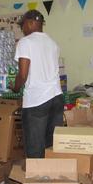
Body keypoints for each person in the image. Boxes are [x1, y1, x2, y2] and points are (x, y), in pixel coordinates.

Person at [11, 10, 64, 158]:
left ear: (30, 22)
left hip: (37, 102)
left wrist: (15, 88)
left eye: (23, 26)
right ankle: (50, 177)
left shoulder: (25, 42)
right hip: (56, 98)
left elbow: (22, 74)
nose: (23, 30)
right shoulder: (53, 43)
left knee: (34, 148)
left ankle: (37, 181)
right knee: (51, 146)